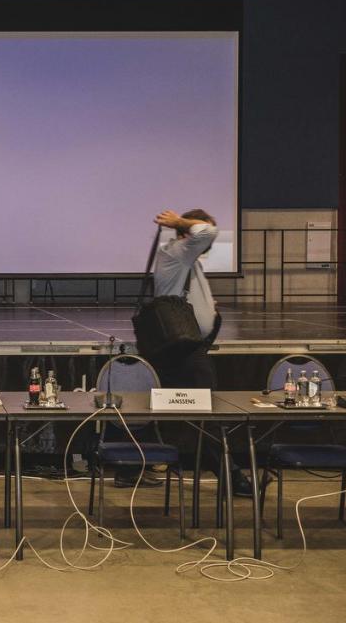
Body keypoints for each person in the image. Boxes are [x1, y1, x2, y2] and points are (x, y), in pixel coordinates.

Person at [148, 209, 252, 497]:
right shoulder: (178, 253)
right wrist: (180, 222)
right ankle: (232, 478)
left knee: (197, 414)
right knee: (206, 415)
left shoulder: (187, 260)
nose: (210, 243)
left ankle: (228, 475)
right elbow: (208, 231)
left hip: (190, 347)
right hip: (183, 350)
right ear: (186, 234)